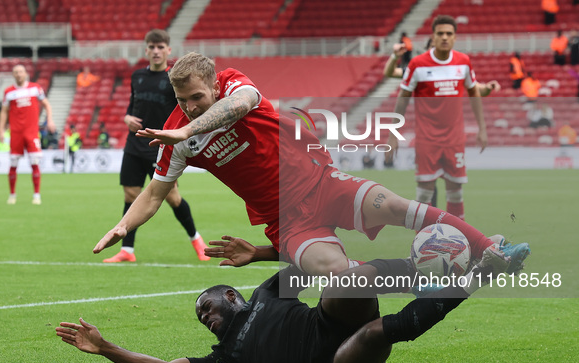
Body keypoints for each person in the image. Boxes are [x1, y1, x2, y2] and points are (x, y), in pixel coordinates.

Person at [94, 51, 530, 278]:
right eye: (181, 101)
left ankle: (490, 249)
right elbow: (153, 196)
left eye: (196, 98)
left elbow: (240, 104)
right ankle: (426, 275)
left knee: (396, 205)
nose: (188, 109)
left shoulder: (234, 85)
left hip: (322, 182)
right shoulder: (176, 134)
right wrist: (124, 226)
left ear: (213, 84)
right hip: (283, 219)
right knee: (339, 275)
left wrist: (188, 130)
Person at [58, 234, 516, 363]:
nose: (206, 317)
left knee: (347, 277)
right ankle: (479, 276)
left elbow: (308, 257)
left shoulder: (264, 295)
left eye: (209, 307)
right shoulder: (225, 359)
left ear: (232, 297)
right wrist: (107, 348)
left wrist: (257, 251)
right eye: (202, 318)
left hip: (331, 319)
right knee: (378, 332)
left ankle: (432, 268)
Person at [103, 29, 209, 263]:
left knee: (172, 197)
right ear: (146, 50)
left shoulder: (174, 81)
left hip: (160, 145)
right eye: (152, 47)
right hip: (134, 144)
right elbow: (132, 107)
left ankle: (196, 239)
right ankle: (127, 251)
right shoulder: (137, 76)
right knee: (130, 194)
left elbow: (184, 112)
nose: (156, 51)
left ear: (168, 51)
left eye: (161, 47)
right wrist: (126, 118)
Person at [386, 15, 487, 222]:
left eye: (449, 34)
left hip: (454, 140)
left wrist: (482, 128)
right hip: (427, 140)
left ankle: (459, 242)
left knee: (456, 191)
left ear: (455, 37)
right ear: (433, 36)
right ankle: (422, 246)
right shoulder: (417, 64)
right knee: (424, 193)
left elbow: (474, 93)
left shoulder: (464, 62)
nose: (444, 37)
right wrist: (392, 134)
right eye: (440, 33)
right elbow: (402, 100)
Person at [0, 64, 55, 205]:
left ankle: (36, 195)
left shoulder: (35, 88)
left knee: (35, 163)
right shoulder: (8, 92)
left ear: (25, 74)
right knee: (13, 163)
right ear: (13, 75)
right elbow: (4, 111)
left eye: (21, 72)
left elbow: (47, 104)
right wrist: (1, 130)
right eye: (16, 72)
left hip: (31, 132)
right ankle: (12, 195)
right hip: (16, 132)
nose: (19, 74)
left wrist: (50, 120)